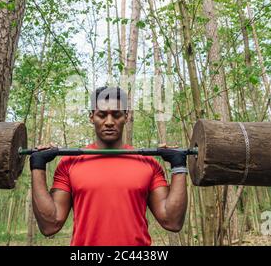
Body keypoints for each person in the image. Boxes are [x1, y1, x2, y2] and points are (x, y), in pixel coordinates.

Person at [30, 86, 188, 246]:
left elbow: (172, 221)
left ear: (126, 117)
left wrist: (179, 166)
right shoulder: (69, 163)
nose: (110, 122)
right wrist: (38, 166)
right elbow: (50, 225)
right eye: (102, 115)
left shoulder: (148, 164)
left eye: (117, 115)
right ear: (91, 117)